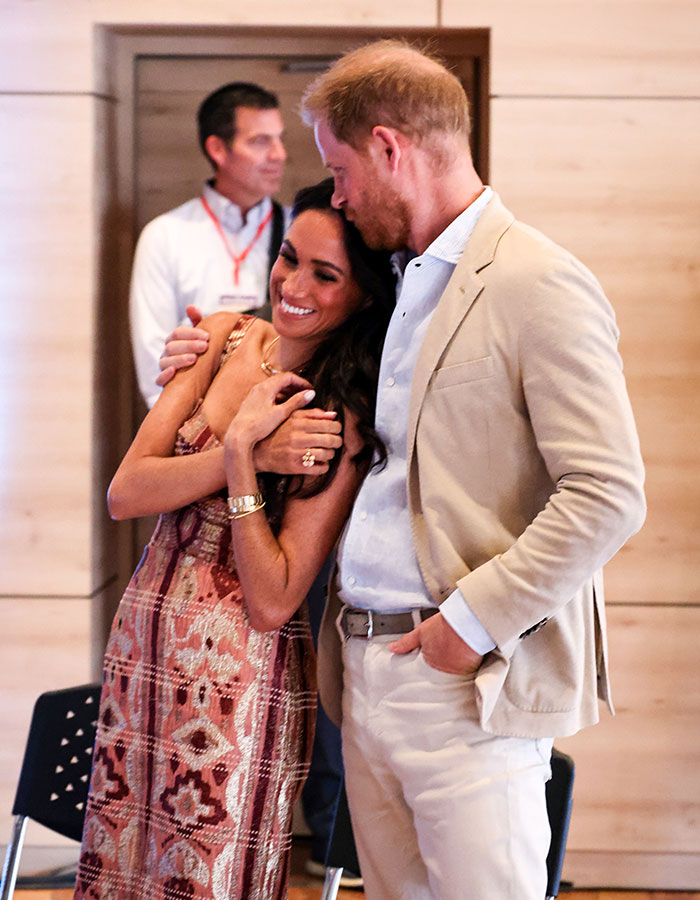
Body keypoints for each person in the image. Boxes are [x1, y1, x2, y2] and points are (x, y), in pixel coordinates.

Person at [165, 40, 647, 900]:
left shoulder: (539, 280)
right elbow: (303, 324)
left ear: (389, 148)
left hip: (464, 680)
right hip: (363, 670)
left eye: (340, 169)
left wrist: (472, 623)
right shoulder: (392, 276)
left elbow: (608, 492)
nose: (336, 193)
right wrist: (211, 347)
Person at [73, 179, 395, 900]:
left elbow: (275, 601)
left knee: (203, 880)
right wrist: (239, 451)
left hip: (239, 678)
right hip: (144, 641)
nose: (294, 283)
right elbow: (127, 490)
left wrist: (244, 463)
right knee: (116, 869)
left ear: (364, 295)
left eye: (325, 273)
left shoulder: (338, 412)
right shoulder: (222, 336)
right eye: (288, 257)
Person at [130, 81, 289, 408]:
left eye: (279, 139)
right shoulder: (166, 235)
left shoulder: (298, 229)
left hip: (282, 421)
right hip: (189, 430)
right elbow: (154, 369)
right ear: (218, 149)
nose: (279, 155)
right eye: (260, 141)